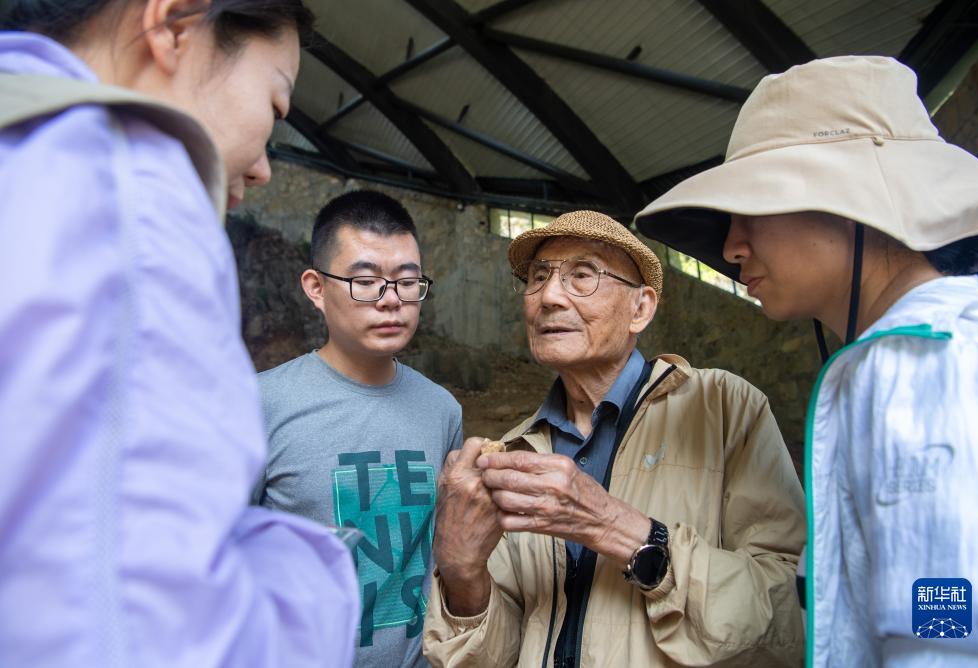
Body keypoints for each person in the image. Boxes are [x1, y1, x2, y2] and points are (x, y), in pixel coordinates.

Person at [0, 1, 359, 666]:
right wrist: (318, 575)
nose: (263, 168)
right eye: (275, 104)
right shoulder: (129, 200)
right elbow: (157, 636)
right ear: (173, 25)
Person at [635, 55, 978, 667]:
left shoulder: (924, 361)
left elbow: (948, 625)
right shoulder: (912, 355)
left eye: (752, 206)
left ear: (851, 200)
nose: (731, 245)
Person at [423, 210, 806, 667]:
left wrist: (614, 527)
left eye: (582, 275)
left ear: (640, 308)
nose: (548, 296)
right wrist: (462, 574)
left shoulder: (724, 408)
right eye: (538, 277)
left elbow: (792, 615)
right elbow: (497, 655)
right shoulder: (515, 453)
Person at [254, 190, 463, 668]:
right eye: (366, 282)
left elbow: (443, 554)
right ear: (315, 287)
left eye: (407, 282)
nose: (391, 302)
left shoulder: (442, 411)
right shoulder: (258, 405)